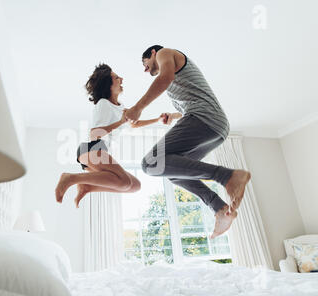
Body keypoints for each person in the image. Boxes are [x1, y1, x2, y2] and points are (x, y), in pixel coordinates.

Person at [125, 45, 251, 239]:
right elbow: (187, 101)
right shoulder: (175, 73)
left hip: (204, 119)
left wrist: (138, 107)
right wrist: (172, 116)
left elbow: (165, 79)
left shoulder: (164, 52)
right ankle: (219, 208)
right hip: (216, 127)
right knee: (173, 173)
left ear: (152, 53)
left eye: (145, 63)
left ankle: (227, 177)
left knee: (151, 163)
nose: (145, 69)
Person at [55, 63, 167, 208]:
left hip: (97, 151)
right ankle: (70, 178)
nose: (121, 79)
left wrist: (158, 120)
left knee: (134, 186)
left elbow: (134, 123)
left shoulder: (120, 107)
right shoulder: (103, 104)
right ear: (108, 84)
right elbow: (95, 134)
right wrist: (120, 122)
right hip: (92, 148)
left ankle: (87, 187)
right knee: (124, 181)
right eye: (116, 77)